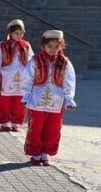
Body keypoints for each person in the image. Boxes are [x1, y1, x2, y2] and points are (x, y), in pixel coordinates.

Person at [22, 30, 77, 166]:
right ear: (43, 46)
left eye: (56, 47)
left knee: (52, 129)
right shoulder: (35, 61)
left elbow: (69, 82)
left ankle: (45, 153)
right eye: (49, 46)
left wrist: (69, 99)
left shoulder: (65, 63)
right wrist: (26, 96)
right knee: (36, 128)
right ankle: (35, 153)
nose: (52, 50)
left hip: (56, 103)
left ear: (61, 46)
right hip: (36, 101)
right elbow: (27, 79)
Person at [0, 19, 33, 132]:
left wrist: (32, 76)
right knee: (5, 101)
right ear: (10, 33)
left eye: (21, 33)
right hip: (7, 77)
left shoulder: (26, 46)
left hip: (22, 77)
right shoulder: (3, 46)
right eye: (16, 33)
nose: (19, 36)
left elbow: (31, 62)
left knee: (19, 101)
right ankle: (5, 121)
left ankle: (16, 121)